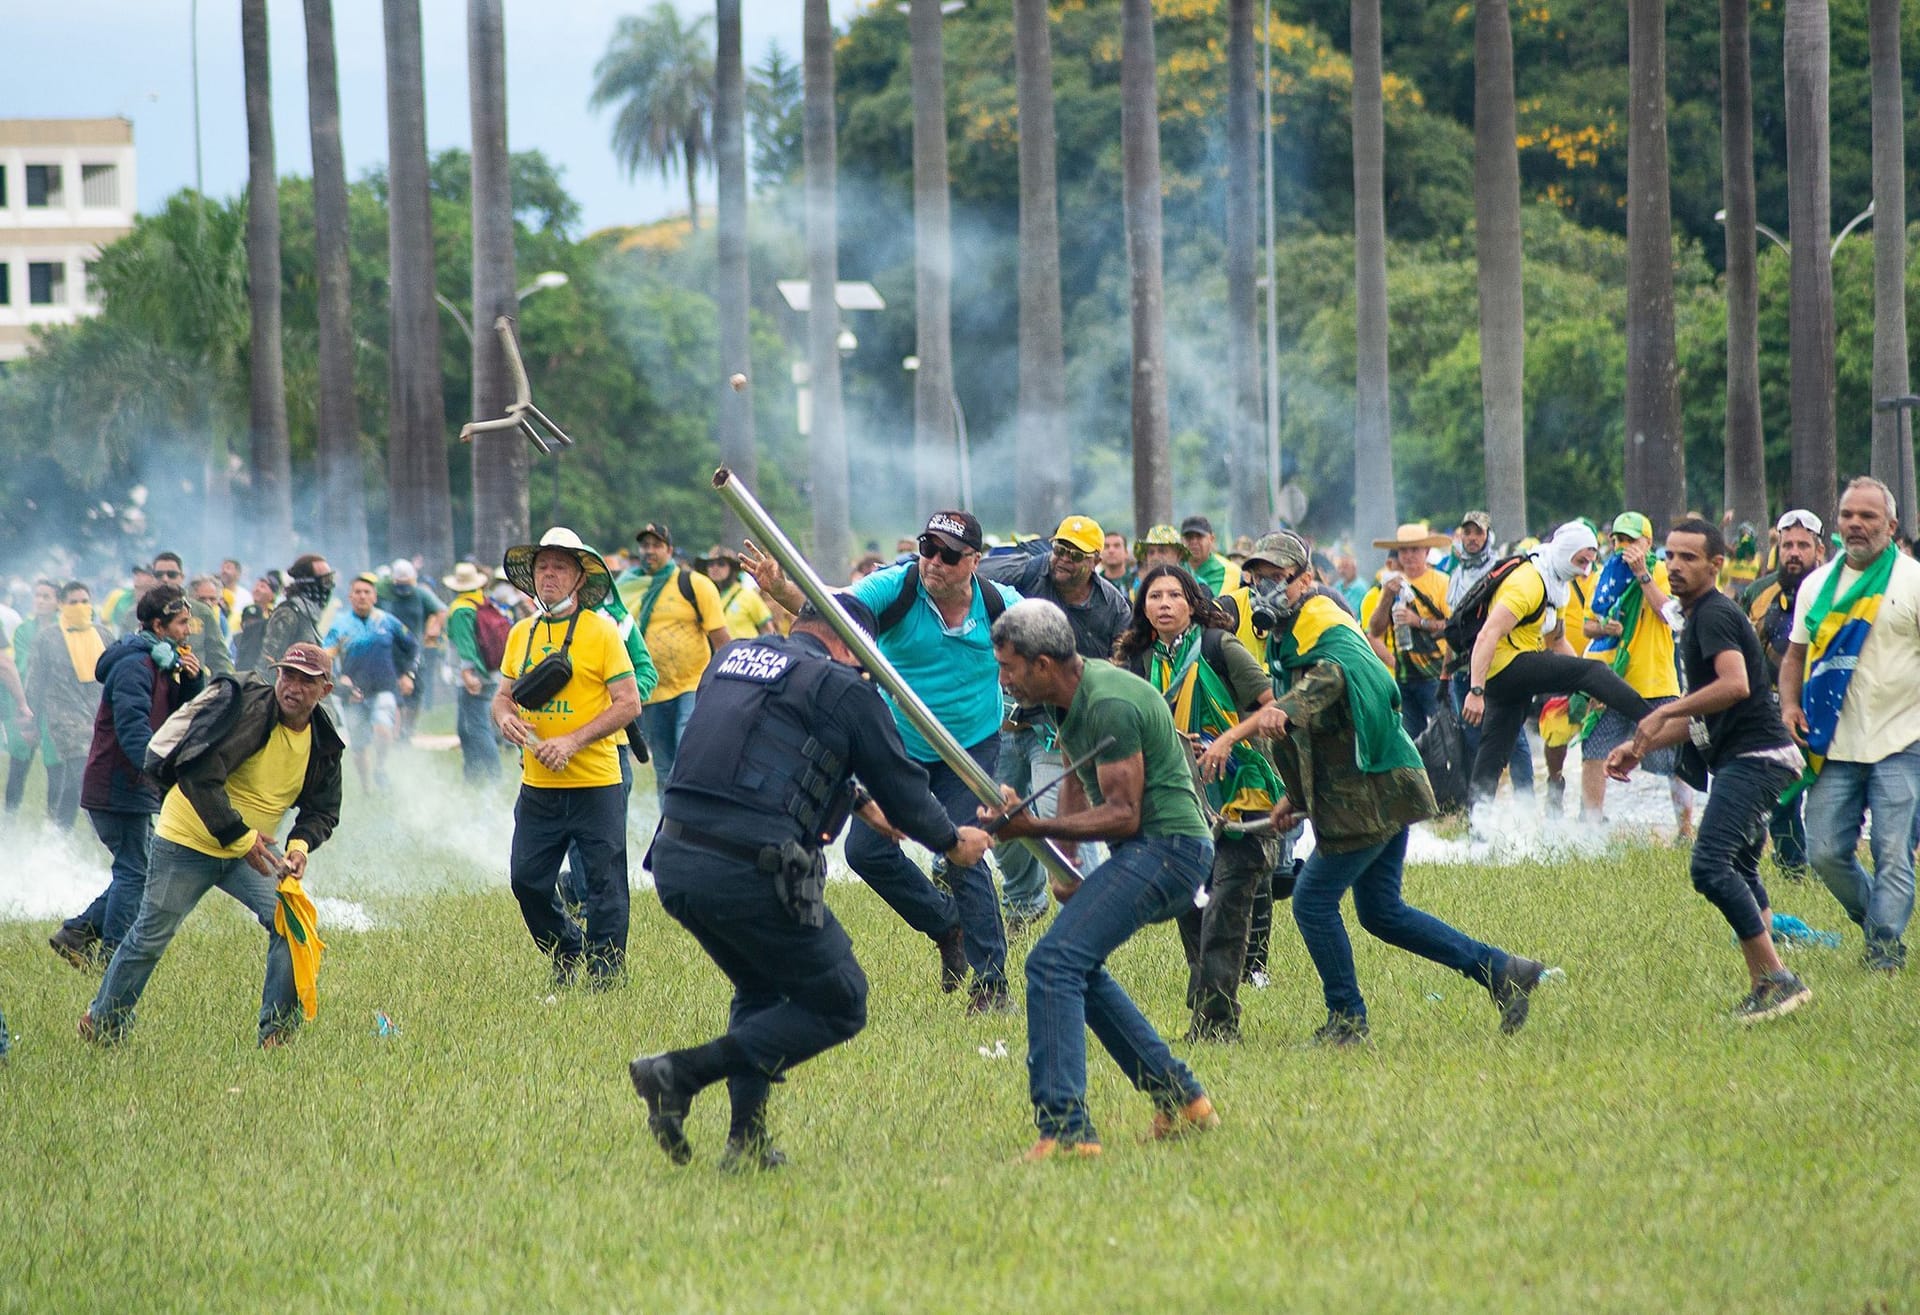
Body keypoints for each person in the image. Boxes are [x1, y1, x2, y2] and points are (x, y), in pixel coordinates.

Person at [628, 597, 995, 1171]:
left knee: (762, 988)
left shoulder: (733, 659)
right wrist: (953, 843)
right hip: (749, 866)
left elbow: (761, 752)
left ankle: (745, 1145)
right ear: (854, 647)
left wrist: (855, 798)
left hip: (676, 859)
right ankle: (680, 1074)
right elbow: (908, 796)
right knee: (841, 1001)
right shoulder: (844, 687)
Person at [1205, 538, 1546, 1044]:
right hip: (1373, 788)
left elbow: (1328, 686)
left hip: (1372, 790)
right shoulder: (1286, 637)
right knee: (1382, 912)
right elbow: (1307, 732)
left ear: (1305, 578)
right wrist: (1294, 798)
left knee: (1312, 902)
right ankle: (1501, 970)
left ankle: (1348, 1019)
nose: (1265, 585)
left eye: (1277, 574)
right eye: (1257, 575)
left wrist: (1260, 722)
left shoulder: (1324, 622)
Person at [745, 510, 1020, 1012]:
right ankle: (946, 926)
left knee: (964, 851)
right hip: (900, 745)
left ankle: (992, 985)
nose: (934, 562)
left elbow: (1047, 644)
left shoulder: (1003, 604)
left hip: (971, 745)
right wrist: (785, 591)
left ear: (974, 562)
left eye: (949, 555)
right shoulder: (893, 588)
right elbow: (832, 615)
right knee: (866, 853)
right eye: (927, 548)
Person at [976, 600, 1219, 1159]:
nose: (1003, 678)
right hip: (1148, 849)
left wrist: (1031, 826)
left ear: (1041, 664)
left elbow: (1123, 812)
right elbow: (1075, 777)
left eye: (1009, 667)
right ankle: (1181, 1100)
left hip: (1169, 850)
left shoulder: (1107, 701)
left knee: (1053, 962)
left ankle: (1066, 1131)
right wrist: (1063, 859)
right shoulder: (1065, 698)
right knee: (1076, 966)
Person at [83, 642, 344, 1046]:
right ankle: (103, 1023)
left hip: (249, 850)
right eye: (287, 675)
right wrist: (242, 838)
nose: (293, 687)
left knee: (291, 925)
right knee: (151, 937)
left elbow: (322, 809)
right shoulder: (251, 712)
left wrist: (298, 847)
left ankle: (276, 1035)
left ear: (324, 690)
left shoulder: (323, 740)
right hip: (189, 837)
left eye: (306, 681)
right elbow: (198, 774)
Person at [1606, 520, 1812, 1020]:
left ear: (1716, 565)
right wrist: (1643, 743)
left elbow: (1735, 685)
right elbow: (1709, 711)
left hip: (1757, 759)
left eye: (1689, 558)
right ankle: (1767, 979)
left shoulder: (1714, 615)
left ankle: (1778, 979)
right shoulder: (1696, 615)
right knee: (1738, 866)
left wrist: (1661, 712)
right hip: (1752, 756)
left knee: (1710, 866)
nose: (1674, 566)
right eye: (1670, 556)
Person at [1114, 565, 1280, 1042]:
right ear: (1143, 607)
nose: (1163, 604)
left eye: (1174, 595)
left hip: (1242, 793)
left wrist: (1226, 739)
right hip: (1177, 800)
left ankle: (1215, 1023)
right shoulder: (1139, 661)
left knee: (1226, 909)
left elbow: (1272, 707)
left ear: (1192, 602)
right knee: (1188, 902)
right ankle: (1209, 995)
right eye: (1154, 597)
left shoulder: (1218, 646)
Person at [1779, 477, 1920, 971]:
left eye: (1868, 517)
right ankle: (1875, 919)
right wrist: (1789, 707)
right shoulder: (1817, 586)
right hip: (1833, 743)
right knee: (1823, 852)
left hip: (1903, 740)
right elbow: (1795, 655)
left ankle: (1884, 950)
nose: (1856, 525)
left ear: (1892, 526)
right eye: (1847, 517)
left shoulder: (1913, 581)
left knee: (1893, 851)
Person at [493, 529, 642, 988]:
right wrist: (504, 719)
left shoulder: (602, 632)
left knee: (605, 886)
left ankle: (605, 976)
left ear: (579, 578)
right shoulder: (521, 633)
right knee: (527, 882)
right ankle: (567, 947)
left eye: (560, 566)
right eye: (542, 567)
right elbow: (503, 697)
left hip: (596, 783)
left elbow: (629, 703)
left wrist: (572, 741)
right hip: (538, 787)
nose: (549, 575)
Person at [977, 514, 1133, 930]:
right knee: (1001, 821)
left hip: (1056, 730)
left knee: (1058, 819)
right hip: (1004, 728)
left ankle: (1090, 915)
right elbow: (967, 571)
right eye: (1059, 548)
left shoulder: (1113, 608)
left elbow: (1124, 667)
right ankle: (1024, 903)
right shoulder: (1023, 572)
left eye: (1075, 554)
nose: (1062, 559)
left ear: (1096, 560)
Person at [50, 587, 207, 969]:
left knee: (141, 868)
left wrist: (191, 681)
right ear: (158, 625)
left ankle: (77, 933)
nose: (189, 630)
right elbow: (134, 729)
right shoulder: (135, 666)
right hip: (118, 783)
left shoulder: (161, 661)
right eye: (182, 622)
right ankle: (113, 954)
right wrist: (155, 773)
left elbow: (177, 717)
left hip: (133, 784)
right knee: (135, 872)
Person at [1462, 523, 1655, 811]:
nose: (1585, 570)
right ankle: (1657, 722)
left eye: (1590, 563)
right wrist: (1476, 691)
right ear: (1566, 551)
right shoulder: (1528, 582)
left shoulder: (1555, 581)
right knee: (1595, 670)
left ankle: (1478, 831)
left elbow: (1557, 640)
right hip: (1504, 667)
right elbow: (1487, 635)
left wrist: (1588, 685)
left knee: (1493, 753)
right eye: (1581, 561)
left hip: (1513, 673)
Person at [1577, 513, 1688, 832]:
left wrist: (1642, 574)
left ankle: (1685, 829)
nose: (1622, 547)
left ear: (1648, 543)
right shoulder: (1604, 576)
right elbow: (1587, 625)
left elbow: (1670, 615)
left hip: (1655, 681)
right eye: (1617, 540)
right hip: (1610, 681)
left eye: (1630, 540)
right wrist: (1602, 628)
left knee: (1672, 759)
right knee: (1594, 749)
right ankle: (1591, 827)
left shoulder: (1662, 572)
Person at [617, 523, 728, 801]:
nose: (649, 551)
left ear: (669, 549)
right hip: (651, 690)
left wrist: (726, 683)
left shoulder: (694, 584)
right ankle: (669, 825)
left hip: (692, 685)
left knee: (686, 752)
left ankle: (697, 815)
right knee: (664, 766)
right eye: (644, 546)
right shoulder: (626, 588)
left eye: (656, 545)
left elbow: (721, 639)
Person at [1744, 509, 1826, 881]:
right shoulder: (1757, 593)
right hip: (1773, 712)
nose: (1794, 553)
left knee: (1829, 793)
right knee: (1782, 796)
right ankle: (1793, 869)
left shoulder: (1835, 590)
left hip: (1827, 708)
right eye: (1787, 544)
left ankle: (1831, 863)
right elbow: (1744, 653)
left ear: (1819, 550)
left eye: (1802, 546)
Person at [26, 581, 115, 830]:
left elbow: (115, 675)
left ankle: (58, 829)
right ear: (62, 605)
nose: (80, 607)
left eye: (84, 601)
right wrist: (31, 721)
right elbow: (35, 681)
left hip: (98, 714)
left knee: (74, 781)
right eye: (73, 602)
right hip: (64, 716)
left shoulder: (103, 635)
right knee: (83, 772)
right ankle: (103, 831)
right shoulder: (48, 638)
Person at [322, 575, 420, 792]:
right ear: (350, 596)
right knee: (358, 746)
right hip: (353, 692)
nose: (362, 596)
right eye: (357, 592)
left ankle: (380, 768)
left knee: (383, 730)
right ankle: (366, 787)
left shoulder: (387, 621)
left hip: (385, 688)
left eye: (367, 592)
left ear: (374, 596)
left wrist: (407, 675)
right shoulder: (339, 625)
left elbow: (412, 647)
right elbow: (326, 658)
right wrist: (339, 681)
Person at [1364, 525, 1453, 740]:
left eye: (1415, 550)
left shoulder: (1442, 582)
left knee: (1445, 737)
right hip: (1404, 676)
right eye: (1404, 551)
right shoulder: (1391, 583)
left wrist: (1419, 622)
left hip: (1436, 673)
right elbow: (1374, 630)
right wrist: (1387, 596)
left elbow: (1453, 626)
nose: (1409, 556)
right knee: (1411, 741)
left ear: (1427, 552)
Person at [444, 562, 512, 784]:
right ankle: (472, 775)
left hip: (475, 677)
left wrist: (467, 672)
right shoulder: (484, 602)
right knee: (466, 727)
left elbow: (465, 643)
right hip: (493, 672)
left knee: (477, 727)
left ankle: (493, 777)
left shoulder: (460, 608)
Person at [378, 560, 445, 738]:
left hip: (415, 652)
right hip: (388, 652)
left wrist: (435, 627)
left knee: (416, 692)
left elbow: (441, 610)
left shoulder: (421, 594)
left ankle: (408, 730)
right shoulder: (383, 593)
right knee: (392, 693)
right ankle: (393, 732)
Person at [3, 580, 54, 813]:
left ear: (57, 602)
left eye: (47, 596)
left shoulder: (62, 630)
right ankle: (9, 818)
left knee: (56, 766)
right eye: (38, 595)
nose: (40, 601)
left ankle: (57, 824)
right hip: (26, 701)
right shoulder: (24, 629)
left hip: (55, 706)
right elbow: (21, 664)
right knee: (19, 762)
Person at [152, 552, 233, 678]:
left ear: (182, 577)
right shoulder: (142, 612)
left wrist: (228, 688)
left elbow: (219, 660)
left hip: (193, 689)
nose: (165, 579)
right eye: (159, 575)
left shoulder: (202, 612)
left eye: (171, 574)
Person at [255, 554, 333, 677]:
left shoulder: (307, 615)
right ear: (308, 582)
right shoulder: (288, 613)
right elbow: (267, 664)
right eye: (325, 581)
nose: (329, 586)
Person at [698, 546, 777, 640]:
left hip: (747, 652)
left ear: (731, 568)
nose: (715, 568)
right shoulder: (704, 598)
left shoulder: (747, 595)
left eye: (721, 564)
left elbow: (768, 631)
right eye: (711, 564)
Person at [1181, 516, 1241, 597]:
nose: (1194, 542)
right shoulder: (1175, 567)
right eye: (1189, 537)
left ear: (1212, 539)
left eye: (1199, 536)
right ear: (1181, 540)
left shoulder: (1229, 571)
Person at [231, 574, 278, 674]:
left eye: (263, 587)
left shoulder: (276, 617)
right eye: (256, 585)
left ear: (272, 594)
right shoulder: (238, 615)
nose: (257, 589)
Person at [100, 564, 155, 636]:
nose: (138, 577)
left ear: (152, 578)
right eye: (136, 574)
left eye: (143, 574)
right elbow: (105, 621)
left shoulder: (157, 601)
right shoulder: (120, 597)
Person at [1098, 530, 1137, 597]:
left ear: (1126, 552)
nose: (1111, 550)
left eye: (1116, 546)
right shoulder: (1096, 584)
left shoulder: (1137, 581)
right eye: (1106, 546)